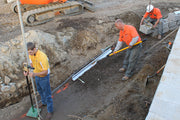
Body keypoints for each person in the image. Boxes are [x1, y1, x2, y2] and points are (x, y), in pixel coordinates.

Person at [23, 42, 53, 120]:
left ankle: (50, 111)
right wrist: (26, 70)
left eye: (30, 52)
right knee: (39, 90)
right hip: (37, 75)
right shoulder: (31, 54)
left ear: (34, 49)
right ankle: (44, 103)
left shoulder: (42, 57)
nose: (29, 54)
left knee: (47, 94)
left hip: (44, 77)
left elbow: (45, 71)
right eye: (28, 52)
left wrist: (35, 74)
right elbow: (30, 63)